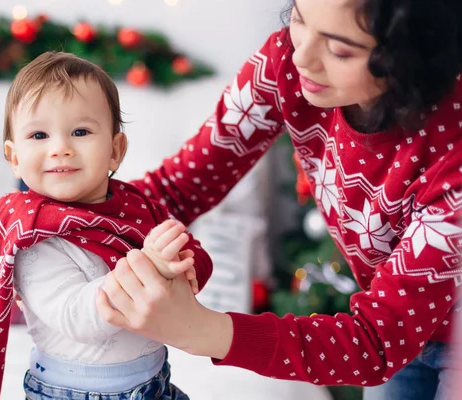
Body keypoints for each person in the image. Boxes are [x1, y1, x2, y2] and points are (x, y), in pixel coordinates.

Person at [95, 0, 462, 399]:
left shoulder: (452, 157)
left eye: (339, 50)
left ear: (410, 57)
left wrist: (201, 330)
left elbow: (374, 343)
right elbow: (178, 187)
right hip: (396, 326)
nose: (302, 55)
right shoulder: (286, 61)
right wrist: (60, 223)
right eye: (300, 20)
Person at [0, 51, 212, 400]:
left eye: (80, 131)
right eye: (39, 135)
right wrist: (151, 266)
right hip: (73, 392)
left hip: (155, 381)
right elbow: (80, 317)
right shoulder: (31, 236)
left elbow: (181, 254)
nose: (61, 148)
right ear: (15, 158)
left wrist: (183, 265)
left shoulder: (133, 207)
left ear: (115, 151)